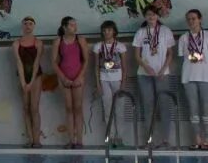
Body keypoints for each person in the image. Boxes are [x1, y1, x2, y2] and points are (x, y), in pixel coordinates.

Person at [133, 6, 175, 147]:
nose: (151, 17)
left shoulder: (165, 31)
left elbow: (170, 53)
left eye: (154, 14)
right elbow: (137, 56)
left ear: (158, 16)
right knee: (148, 107)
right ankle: (150, 140)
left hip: (162, 74)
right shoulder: (140, 32)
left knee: (164, 105)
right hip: (144, 74)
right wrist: (146, 67)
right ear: (145, 16)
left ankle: (165, 140)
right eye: (148, 14)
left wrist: (163, 69)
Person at [178, 9, 208, 150]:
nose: (191, 21)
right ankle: (197, 139)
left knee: (207, 108)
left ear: (200, 19)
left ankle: (207, 139)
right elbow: (181, 57)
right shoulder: (183, 38)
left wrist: (204, 65)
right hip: (188, 76)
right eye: (189, 19)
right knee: (193, 109)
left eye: (194, 18)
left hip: (206, 76)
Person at [51, 17, 90, 149]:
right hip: (64, 77)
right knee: (68, 108)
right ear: (64, 27)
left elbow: (86, 60)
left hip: (78, 77)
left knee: (78, 108)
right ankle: (71, 140)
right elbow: (54, 63)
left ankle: (79, 141)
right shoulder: (58, 41)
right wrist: (63, 78)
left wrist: (79, 77)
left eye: (75, 25)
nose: (75, 27)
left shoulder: (81, 40)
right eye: (72, 25)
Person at [92, 21, 128, 137]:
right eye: (104, 30)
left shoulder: (120, 46)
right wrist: (98, 85)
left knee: (119, 110)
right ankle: (111, 137)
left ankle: (120, 137)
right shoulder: (98, 46)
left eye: (109, 30)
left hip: (118, 80)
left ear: (114, 31)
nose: (106, 32)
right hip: (104, 80)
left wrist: (123, 83)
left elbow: (124, 66)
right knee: (107, 110)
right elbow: (96, 66)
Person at [12, 17, 42, 148]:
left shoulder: (38, 43)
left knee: (34, 108)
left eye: (30, 24)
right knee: (26, 107)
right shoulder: (16, 43)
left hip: (36, 76)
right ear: (22, 26)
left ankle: (37, 140)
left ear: (34, 26)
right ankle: (30, 138)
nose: (28, 26)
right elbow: (18, 63)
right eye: (25, 24)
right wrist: (23, 82)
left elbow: (36, 63)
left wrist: (31, 82)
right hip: (23, 77)